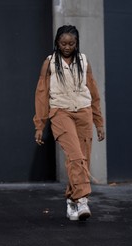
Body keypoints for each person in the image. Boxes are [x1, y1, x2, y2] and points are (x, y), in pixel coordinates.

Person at [33, 25, 105, 221]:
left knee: (83, 157)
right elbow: (41, 95)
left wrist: (99, 122)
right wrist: (39, 125)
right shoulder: (49, 63)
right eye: (63, 43)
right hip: (60, 113)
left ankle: (71, 200)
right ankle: (82, 200)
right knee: (74, 155)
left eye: (71, 43)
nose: (67, 47)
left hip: (83, 112)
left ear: (76, 43)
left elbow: (94, 93)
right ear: (57, 42)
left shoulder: (84, 61)